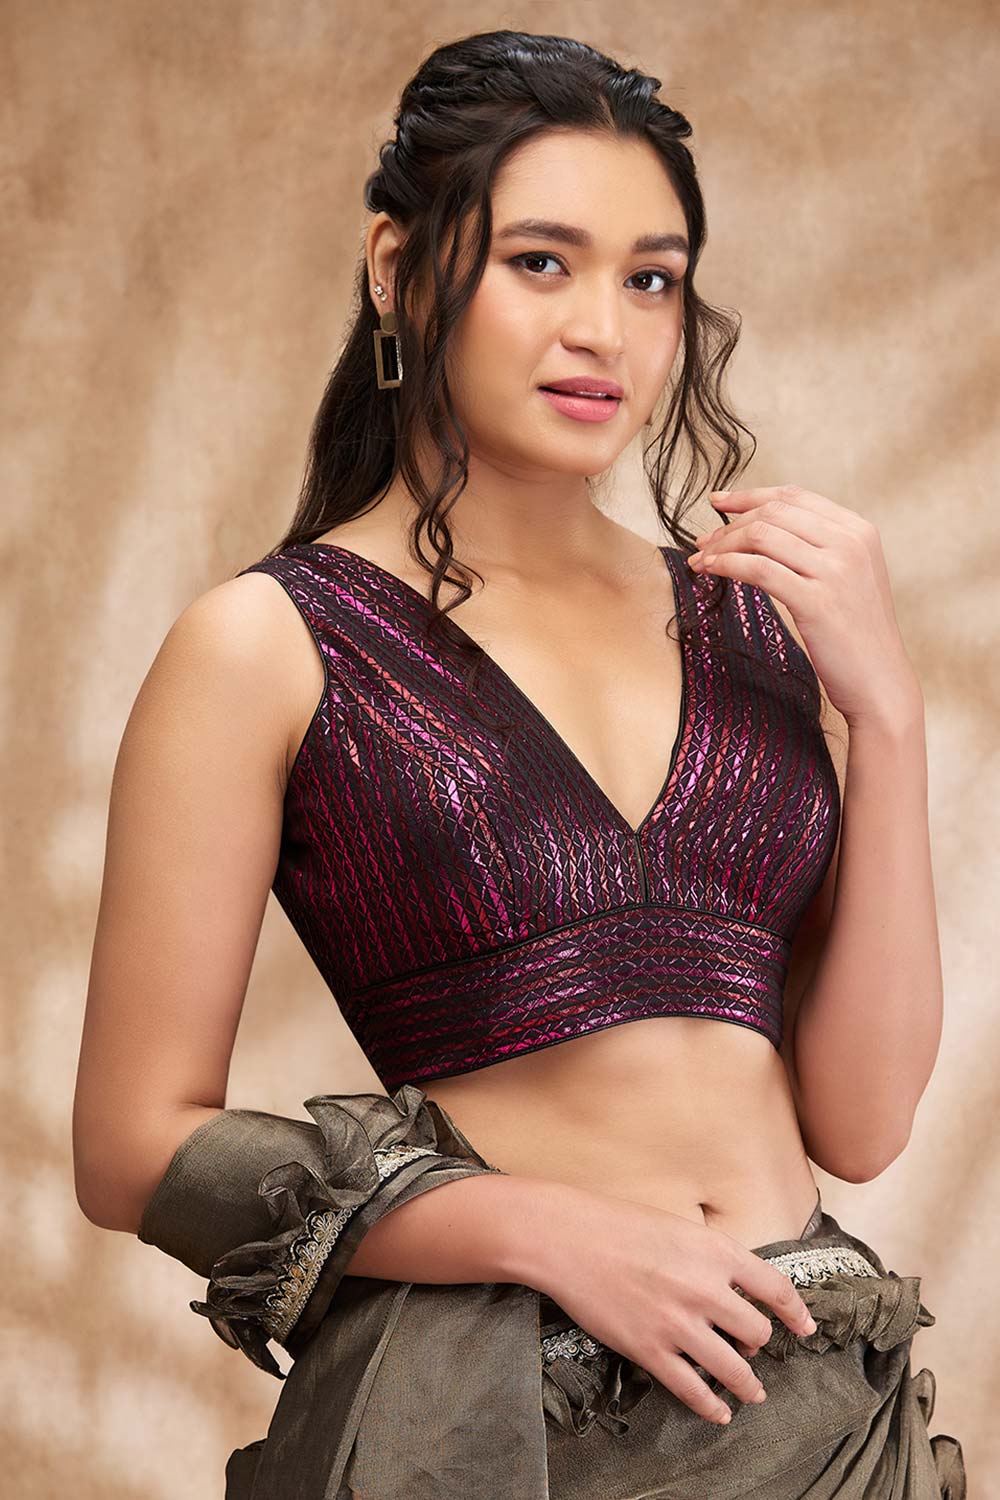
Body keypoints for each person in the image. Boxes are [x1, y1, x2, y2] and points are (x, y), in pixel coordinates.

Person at [73, 27, 966, 1500]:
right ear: (396, 267)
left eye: (651, 279)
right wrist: (549, 1231)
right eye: (539, 262)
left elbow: (861, 1125)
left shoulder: (748, 623)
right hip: (500, 1424)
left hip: (814, 1405)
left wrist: (892, 719)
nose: (602, 330)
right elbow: (131, 1150)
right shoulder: (267, 644)